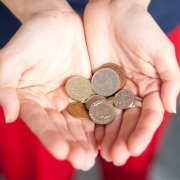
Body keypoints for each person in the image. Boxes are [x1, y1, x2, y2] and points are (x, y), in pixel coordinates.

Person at [0, 0, 179, 177]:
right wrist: (37, 6)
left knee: (132, 155)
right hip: (30, 57)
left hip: (146, 35)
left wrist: (125, 3)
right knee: (39, 170)